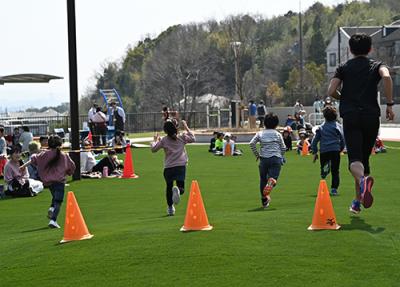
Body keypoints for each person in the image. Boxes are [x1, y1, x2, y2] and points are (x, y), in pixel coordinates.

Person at [328, 33, 395, 214]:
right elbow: (387, 77)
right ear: (370, 48)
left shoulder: (343, 67)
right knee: (363, 159)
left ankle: (363, 184)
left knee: (355, 160)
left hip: (351, 115)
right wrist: (389, 104)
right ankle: (357, 202)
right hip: (371, 116)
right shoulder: (376, 65)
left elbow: (331, 90)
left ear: (350, 50)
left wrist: (344, 98)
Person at [21, 135, 76, 228]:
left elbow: (34, 158)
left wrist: (23, 166)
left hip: (48, 182)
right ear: (60, 144)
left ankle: (51, 207)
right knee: (58, 201)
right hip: (59, 181)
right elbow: (72, 166)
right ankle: (53, 220)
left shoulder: (43, 154)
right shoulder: (64, 155)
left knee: (55, 197)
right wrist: (69, 173)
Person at [151, 120, 195, 216]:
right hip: (180, 166)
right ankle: (178, 190)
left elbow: (153, 149)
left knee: (168, 187)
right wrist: (186, 127)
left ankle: (170, 208)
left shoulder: (164, 140)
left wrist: (155, 140)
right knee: (181, 187)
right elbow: (193, 138)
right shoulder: (181, 137)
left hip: (169, 167)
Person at [250, 113, 286, 208]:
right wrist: (281, 156)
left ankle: (264, 200)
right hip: (275, 158)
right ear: (276, 124)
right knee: (273, 178)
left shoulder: (260, 133)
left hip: (263, 159)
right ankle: (271, 181)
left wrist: (257, 155)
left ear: (264, 123)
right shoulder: (277, 134)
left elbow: (252, 143)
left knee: (262, 180)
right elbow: (283, 147)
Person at [311, 106, 345, 196]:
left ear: (324, 116)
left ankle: (324, 171)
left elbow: (314, 141)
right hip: (335, 150)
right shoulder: (338, 127)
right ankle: (334, 189)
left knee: (324, 167)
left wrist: (314, 152)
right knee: (335, 170)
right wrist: (341, 148)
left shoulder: (321, 128)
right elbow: (343, 139)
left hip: (324, 151)